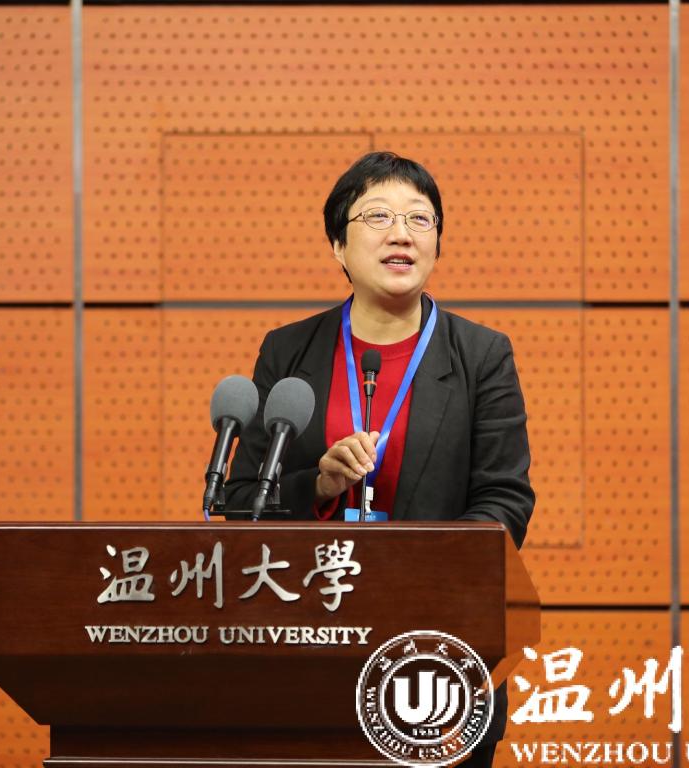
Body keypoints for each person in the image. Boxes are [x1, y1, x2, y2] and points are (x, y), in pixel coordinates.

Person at [224, 150, 534, 766]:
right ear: (338, 246)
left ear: (437, 243)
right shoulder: (287, 352)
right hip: (307, 645)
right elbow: (241, 501)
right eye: (378, 217)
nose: (401, 233)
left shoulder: (482, 356)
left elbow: (505, 501)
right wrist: (318, 484)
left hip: (434, 655)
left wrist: (414, 575)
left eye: (420, 218)